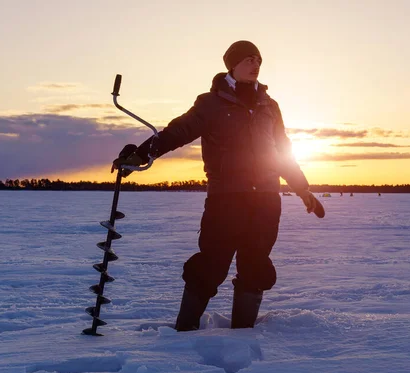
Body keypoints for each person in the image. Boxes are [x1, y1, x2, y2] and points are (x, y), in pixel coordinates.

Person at [112, 40, 317, 331]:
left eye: (258, 59)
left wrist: (302, 187)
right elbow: (178, 131)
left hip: (267, 199)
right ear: (231, 64)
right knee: (212, 263)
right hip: (227, 198)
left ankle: (243, 335)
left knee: (256, 263)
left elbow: (282, 150)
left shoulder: (270, 106)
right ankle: (184, 332)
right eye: (248, 59)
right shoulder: (211, 103)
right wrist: (143, 153)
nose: (255, 65)